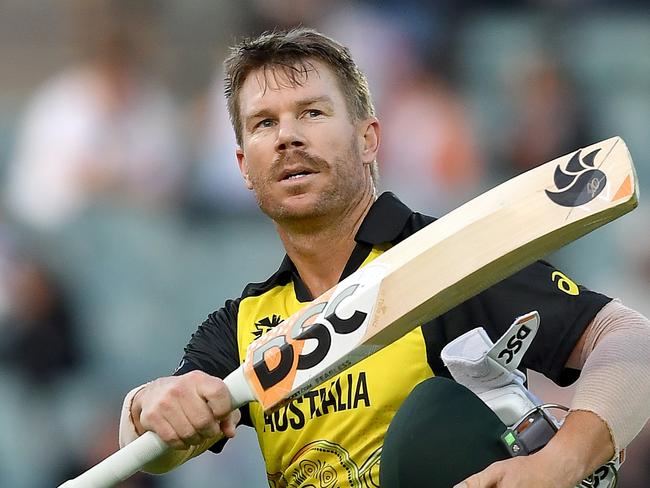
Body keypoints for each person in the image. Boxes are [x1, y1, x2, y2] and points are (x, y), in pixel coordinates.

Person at [119, 28, 650, 487]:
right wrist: (153, 401)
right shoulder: (241, 327)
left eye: (312, 112)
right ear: (242, 165)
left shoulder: (444, 261)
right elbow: (157, 446)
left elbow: (631, 340)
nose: (287, 137)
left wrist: (557, 466)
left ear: (368, 138)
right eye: (263, 124)